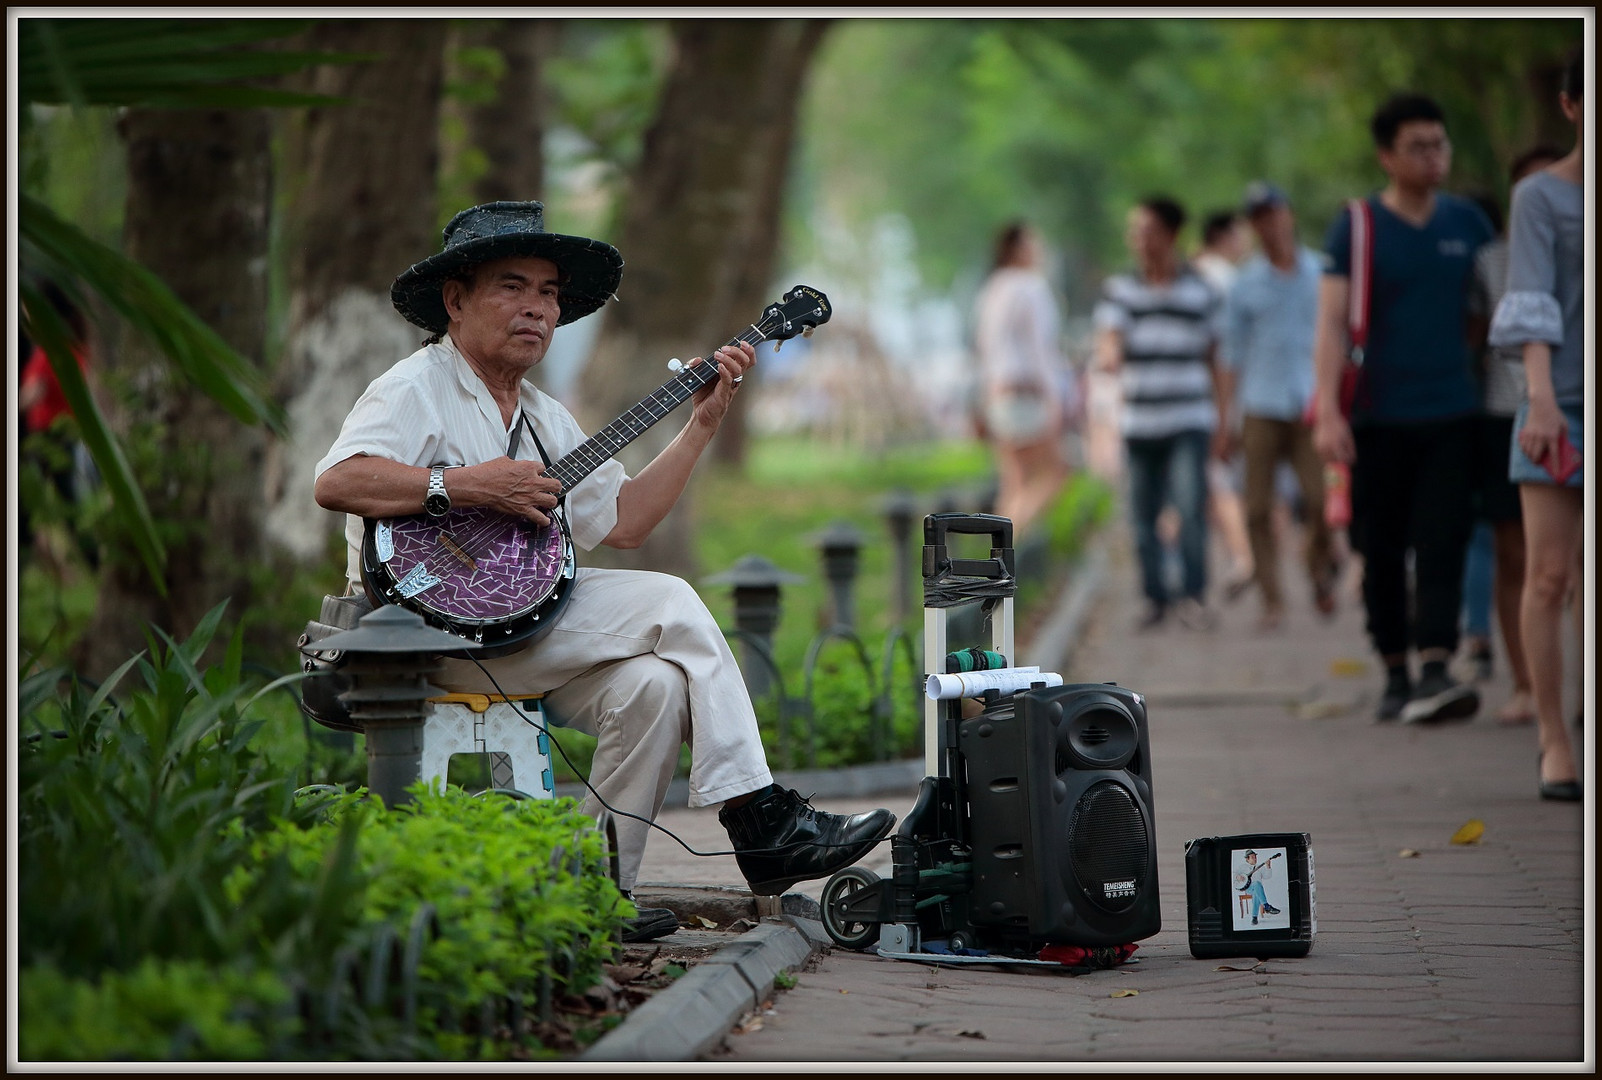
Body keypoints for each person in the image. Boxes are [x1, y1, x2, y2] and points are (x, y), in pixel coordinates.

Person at [313, 201, 897, 938]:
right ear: (455, 301)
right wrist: (462, 486)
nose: (537, 308)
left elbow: (622, 522)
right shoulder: (414, 387)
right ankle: (761, 821)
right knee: (674, 600)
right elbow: (335, 481)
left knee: (651, 687)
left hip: (513, 637)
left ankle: (591, 893)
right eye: (513, 286)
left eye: (550, 293)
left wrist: (702, 426)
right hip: (418, 642)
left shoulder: (542, 416)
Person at [1311, 93, 1495, 724]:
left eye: (1439, 145)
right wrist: (1329, 415)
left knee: (1444, 540)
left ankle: (1438, 668)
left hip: (1453, 411)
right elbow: (1331, 324)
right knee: (1382, 547)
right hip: (1376, 417)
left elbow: (1491, 311)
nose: (1432, 157)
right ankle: (1394, 668)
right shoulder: (1358, 226)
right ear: (1387, 155)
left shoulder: (1469, 223)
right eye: (1418, 147)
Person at [1487, 53, 1584, 802]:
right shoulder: (1540, 199)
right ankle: (1556, 736)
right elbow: (1532, 305)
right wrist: (1542, 399)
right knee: (1550, 574)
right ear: (1570, 107)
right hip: (1562, 403)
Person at [1461, 146, 1564, 724]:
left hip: (1571, 412)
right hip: (1510, 416)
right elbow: (1475, 334)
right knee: (1520, 557)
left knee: (1563, 568)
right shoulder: (1490, 261)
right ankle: (1530, 689)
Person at [1094, 195, 1229, 632]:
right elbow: (1110, 338)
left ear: (1171, 235)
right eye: (1135, 232)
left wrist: (1225, 419)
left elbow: (1217, 359)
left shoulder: (1201, 291)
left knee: (1191, 509)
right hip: (1139, 422)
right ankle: (1155, 598)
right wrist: (1110, 354)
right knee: (1141, 515)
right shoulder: (1122, 290)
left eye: (1148, 231)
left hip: (1190, 418)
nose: (1140, 240)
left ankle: (1193, 595)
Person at [1219, 182, 1339, 633]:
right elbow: (1230, 355)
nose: (1268, 224)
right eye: (1258, 218)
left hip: (1311, 403)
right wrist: (1226, 418)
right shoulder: (1244, 284)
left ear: (1288, 215)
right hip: (1260, 403)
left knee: (1321, 501)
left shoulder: (1322, 272)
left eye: (1274, 213)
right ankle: (1273, 600)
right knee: (1255, 509)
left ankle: (1318, 569)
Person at [972, 221, 1073, 538]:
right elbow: (1040, 348)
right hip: (1028, 395)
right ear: (1017, 248)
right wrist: (1056, 397)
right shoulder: (1030, 286)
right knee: (1054, 475)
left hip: (998, 395)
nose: (1039, 250)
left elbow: (983, 349)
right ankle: (1005, 556)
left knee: (1014, 483)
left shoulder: (991, 289)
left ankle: (1000, 573)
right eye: (1033, 243)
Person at [1193, 209, 1257, 602]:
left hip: (1211, 396)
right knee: (1220, 481)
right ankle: (1246, 557)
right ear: (1224, 235)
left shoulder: (1199, 273)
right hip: (1221, 393)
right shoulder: (1224, 279)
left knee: (1218, 482)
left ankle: (1244, 557)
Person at [1232, 849, 1281, 925]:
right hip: (1248, 888)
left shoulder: (1259, 867)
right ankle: (1266, 906)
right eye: (1252, 857)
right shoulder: (1242, 867)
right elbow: (1232, 874)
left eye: (1255, 857)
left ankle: (1254, 918)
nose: (1255, 858)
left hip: (1258, 889)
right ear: (1247, 859)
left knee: (1256, 891)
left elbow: (1267, 876)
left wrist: (1268, 866)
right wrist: (1237, 876)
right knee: (1256, 884)